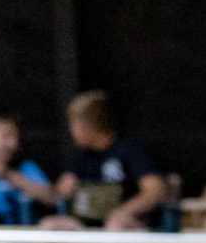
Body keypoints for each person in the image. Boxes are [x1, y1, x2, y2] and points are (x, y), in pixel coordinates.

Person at [41, 90, 168, 232]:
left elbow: (155, 191)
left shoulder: (129, 151)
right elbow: (60, 193)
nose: (71, 131)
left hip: (124, 223)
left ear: (89, 125)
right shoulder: (81, 157)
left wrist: (123, 211)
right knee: (49, 225)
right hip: (87, 224)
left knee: (115, 225)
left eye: (74, 124)